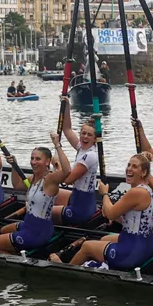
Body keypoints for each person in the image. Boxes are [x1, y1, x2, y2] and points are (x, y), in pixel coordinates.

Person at [57, 153, 153, 271]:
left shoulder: (136, 192)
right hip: (147, 243)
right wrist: (115, 216)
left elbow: (110, 213)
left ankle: (66, 270)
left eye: (135, 167)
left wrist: (104, 194)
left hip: (132, 251)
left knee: (86, 246)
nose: (129, 169)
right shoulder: (148, 189)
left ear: (144, 172)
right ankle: (103, 264)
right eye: (129, 165)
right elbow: (134, 219)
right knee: (105, 239)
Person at [0, 135, 70, 254]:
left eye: (38, 159)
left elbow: (67, 171)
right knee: (2, 230)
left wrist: (57, 145)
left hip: (38, 231)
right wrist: (14, 165)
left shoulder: (50, 179)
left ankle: (15, 259)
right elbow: (17, 185)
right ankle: (16, 252)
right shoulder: (33, 178)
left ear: (47, 162)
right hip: (29, 224)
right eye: (32, 158)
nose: (33, 162)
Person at [55, 96, 101, 224]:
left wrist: (57, 162)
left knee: (44, 207)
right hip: (79, 198)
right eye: (83, 133)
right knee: (47, 192)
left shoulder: (90, 155)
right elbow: (67, 129)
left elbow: (68, 180)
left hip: (81, 208)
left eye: (89, 135)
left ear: (94, 139)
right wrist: (67, 106)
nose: (85, 137)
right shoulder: (82, 148)